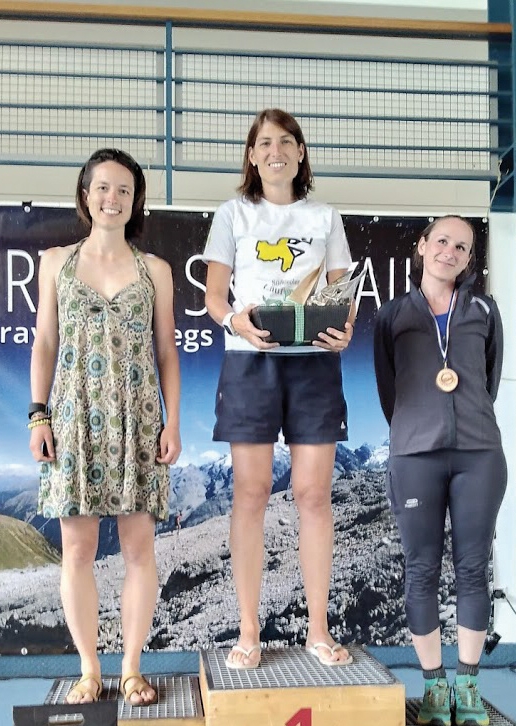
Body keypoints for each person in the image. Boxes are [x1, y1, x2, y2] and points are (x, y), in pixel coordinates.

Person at [202, 108, 357, 669]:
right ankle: (249, 632)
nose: (276, 151)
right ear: (251, 155)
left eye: (286, 142)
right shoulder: (232, 215)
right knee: (251, 494)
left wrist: (343, 329)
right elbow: (215, 297)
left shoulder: (325, 217)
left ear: (300, 153)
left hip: (313, 366)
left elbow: (344, 294)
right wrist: (234, 323)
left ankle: (318, 629)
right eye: (265, 142)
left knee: (314, 497)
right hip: (250, 364)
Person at [31, 148, 182, 706]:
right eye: (102, 188)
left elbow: (166, 350)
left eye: (123, 189)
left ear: (136, 200)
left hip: (139, 418)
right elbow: (45, 343)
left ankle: (134, 669)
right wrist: (38, 413)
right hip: (73, 419)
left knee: (140, 547)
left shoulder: (157, 272)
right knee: (78, 549)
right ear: (85, 194)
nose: (112, 198)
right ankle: (90, 670)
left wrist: (172, 422)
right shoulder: (55, 262)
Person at [373, 215, 504, 726]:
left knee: (473, 568)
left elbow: (487, 381)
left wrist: (463, 418)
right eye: (442, 241)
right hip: (414, 455)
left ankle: (467, 685)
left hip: (478, 453)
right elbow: (390, 389)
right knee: (421, 569)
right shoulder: (391, 316)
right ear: (422, 246)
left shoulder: (484, 312)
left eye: (462, 247)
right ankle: (432, 687)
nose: (450, 252)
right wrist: (417, 425)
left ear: (469, 260)